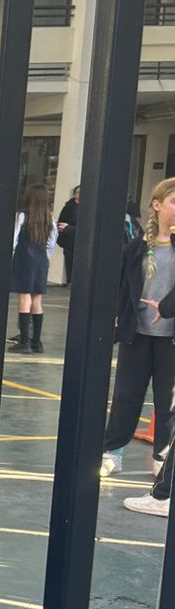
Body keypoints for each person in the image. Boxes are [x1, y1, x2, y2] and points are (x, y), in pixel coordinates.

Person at [102, 177, 175, 478]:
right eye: (174, 201)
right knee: (126, 397)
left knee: (167, 402)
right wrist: (118, 315)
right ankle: (112, 452)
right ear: (157, 205)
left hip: (170, 340)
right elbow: (121, 284)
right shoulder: (136, 247)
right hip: (137, 335)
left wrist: (166, 308)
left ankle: (163, 457)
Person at [10, 182, 58, 354]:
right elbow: (51, 242)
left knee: (24, 298)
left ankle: (24, 341)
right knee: (37, 299)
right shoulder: (49, 218)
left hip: (24, 258)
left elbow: (14, 239)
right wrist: (45, 258)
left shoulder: (22, 216)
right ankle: (36, 341)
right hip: (41, 259)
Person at [57, 185, 80, 284]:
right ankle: (70, 280)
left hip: (80, 239)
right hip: (68, 238)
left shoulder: (87, 206)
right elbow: (61, 221)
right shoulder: (69, 206)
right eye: (78, 192)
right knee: (69, 259)